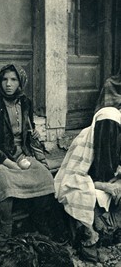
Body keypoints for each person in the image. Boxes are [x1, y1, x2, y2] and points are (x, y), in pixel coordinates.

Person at [0, 64, 66, 252]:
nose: (8, 84)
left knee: (45, 178)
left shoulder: (25, 103)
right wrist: (10, 163)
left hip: (22, 153)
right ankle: (5, 231)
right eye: (4, 79)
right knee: (7, 185)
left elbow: (28, 128)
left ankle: (39, 222)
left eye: (13, 79)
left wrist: (32, 134)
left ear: (20, 82)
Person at [54, 71, 121, 262]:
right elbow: (73, 178)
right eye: (105, 128)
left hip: (109, 185)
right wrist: (105, 186)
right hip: (88, 186)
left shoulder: (118, 139)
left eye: (113, 129)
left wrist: (118, 178)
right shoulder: (85, 139)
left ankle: (110, 229)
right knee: (81, 194)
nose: (108, 133)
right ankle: (88, 240)